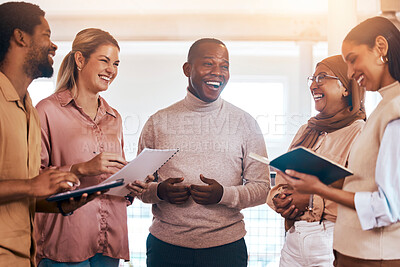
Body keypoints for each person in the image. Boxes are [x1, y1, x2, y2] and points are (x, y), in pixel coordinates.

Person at [137, 38, 270, 267]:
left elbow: (262, 188)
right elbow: (137, 186)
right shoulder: (157, 123)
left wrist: (223, 195)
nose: (218, 72)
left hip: (226, 249)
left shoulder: (246, 123)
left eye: (224, 66)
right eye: (208, 64)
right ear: (187, 69)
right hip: (166, 248)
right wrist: (160, 191)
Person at [280, 16, 400, 266]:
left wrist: (317, 190)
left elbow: (387, 207)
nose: (350, 72)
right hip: (350, 249)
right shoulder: (384, 107)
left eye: (353, 59)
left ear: (381, 48)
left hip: (372, 254)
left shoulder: (393, 112)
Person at [34, 28, 150, 266]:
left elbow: (113, 177)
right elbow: (33, 179)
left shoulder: (114, 117)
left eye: (116, 63)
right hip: (65, 242)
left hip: (109, 242)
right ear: (80, 59)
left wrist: (129, 186)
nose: (112, 70)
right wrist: (80, 169)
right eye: (105, 61)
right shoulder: (47, 111)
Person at [0, 2, 96, 266]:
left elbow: (16, 197)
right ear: (20, 37)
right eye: (46, 36)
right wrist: (32, 185)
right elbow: (26, 187)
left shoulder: (29, 107)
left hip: (25, 256)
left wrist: (58, 204)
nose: (54, 46)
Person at [266, 55, 365, 267]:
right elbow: (281, 180)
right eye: (312, 78)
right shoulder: (306, 130)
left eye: (322, 78)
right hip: (294, 239)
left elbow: (363, 197)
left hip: (332, 239)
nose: (313, 85)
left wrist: (311, 200)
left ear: (345, 87)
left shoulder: (360, 132)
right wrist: (280, 198)